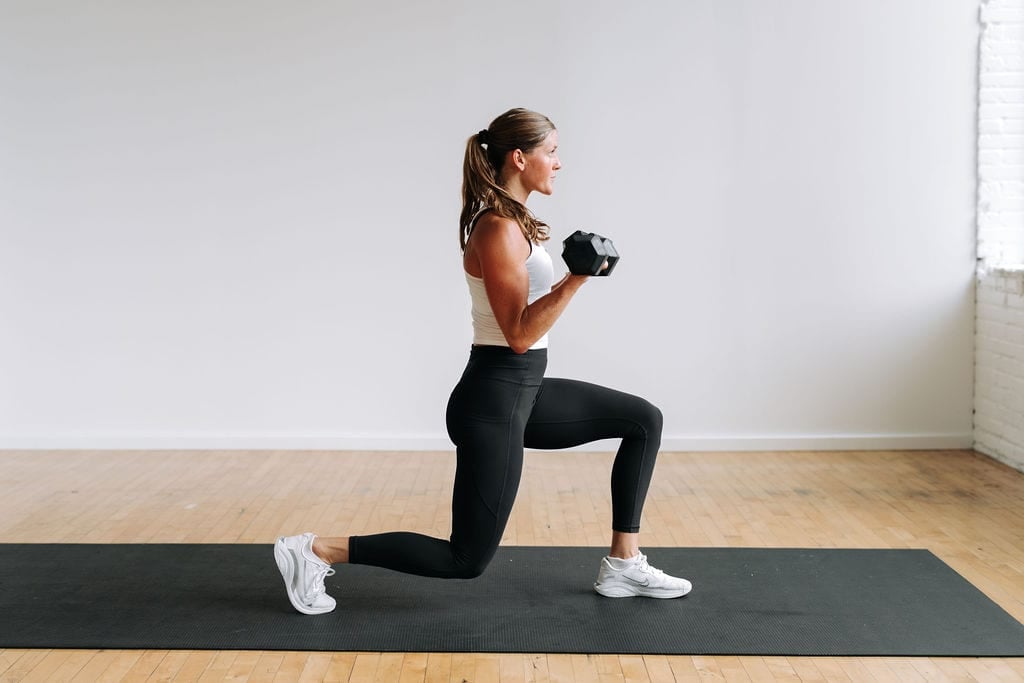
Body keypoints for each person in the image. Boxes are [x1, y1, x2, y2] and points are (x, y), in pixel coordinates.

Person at [274, 108, 691, 615]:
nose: (559, 163)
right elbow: (518, 334)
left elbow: (527, 319)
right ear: (520, 157)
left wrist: (576, 275)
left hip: (524, 392)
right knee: (465, 558)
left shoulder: (517, 222)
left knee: (643, 420)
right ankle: (315, 550)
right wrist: (576, 279)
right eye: (552, 151)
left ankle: (623, 565)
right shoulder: (497, 230)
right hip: (493, 400)